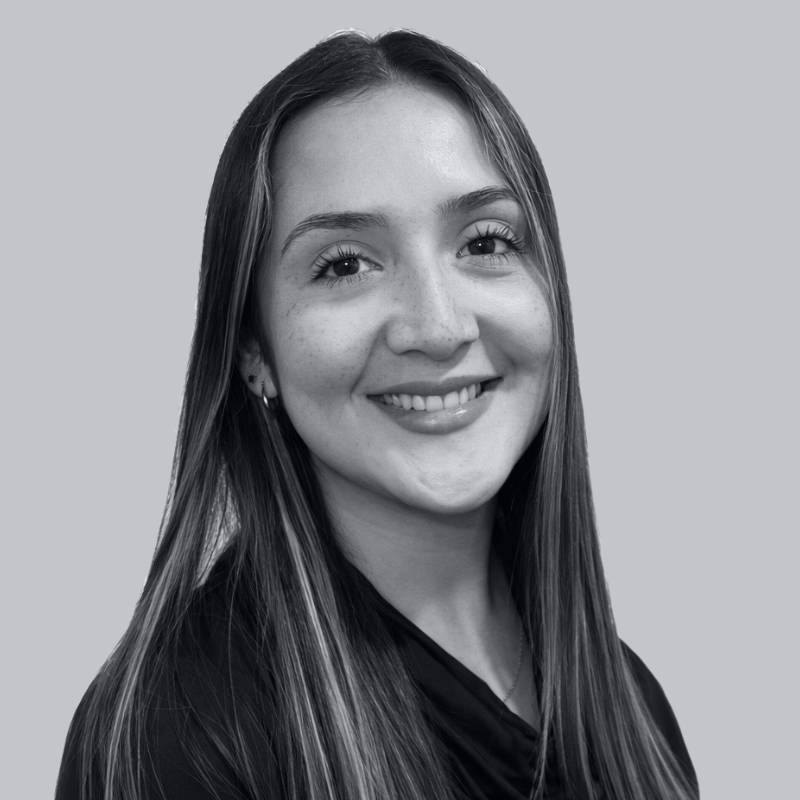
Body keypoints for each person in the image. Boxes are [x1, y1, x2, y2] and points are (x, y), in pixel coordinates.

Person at [55, 29, 699, 800]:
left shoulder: (632, 705)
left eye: (486, 241)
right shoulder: (182, 733)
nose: (436, 327)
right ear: (253, 349)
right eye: (346, 265)